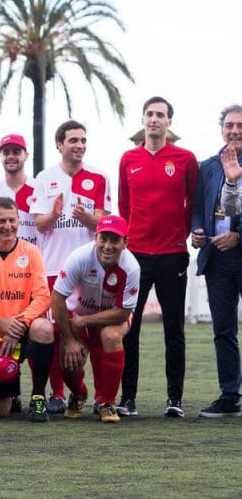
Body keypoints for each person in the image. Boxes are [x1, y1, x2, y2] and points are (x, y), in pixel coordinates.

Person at [117, 96, 198, 417]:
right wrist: (128, 240)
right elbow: (124, 205)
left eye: (160, 115)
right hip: (135, 256)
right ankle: (128, 398)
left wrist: (183, 233)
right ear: (143, 119)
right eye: (149, 114)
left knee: (174, 328)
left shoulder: (184, 159)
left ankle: (174, 398)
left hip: (172, 254)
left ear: (168, 122)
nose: (154, 119)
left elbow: (192, 201)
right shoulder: (128, 159)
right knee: (130, 327)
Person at [29, 120, 110, 413]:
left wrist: (85, 218)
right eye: (73, 140)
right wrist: (54, 214)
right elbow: (39, 224)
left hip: (90, 271)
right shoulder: (44, 178)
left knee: (95, 334)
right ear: (59, 144)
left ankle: (102, 398)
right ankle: (58, 394)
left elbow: (104, 223)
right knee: (54, 334)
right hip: (53, 269)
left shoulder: (99, 177)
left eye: (83, 140)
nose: (79, 145)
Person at [0, 197, 54, 422]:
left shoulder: (32, 252)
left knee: (44, 329)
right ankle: (11, 393)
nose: (8, 226)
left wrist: (19, 324)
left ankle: (38, 397)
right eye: (1, 221)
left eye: (12, 220)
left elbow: (43, 297)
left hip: (24, 328)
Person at [51, 215, 140, 424]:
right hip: (77, 314)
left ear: (125, 243)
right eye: (103, 239)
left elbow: (123, 312)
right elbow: (57, 298)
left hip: (110, 317)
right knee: (68, 357)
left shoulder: (132, 267)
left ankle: (106, 401)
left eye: (115, 240)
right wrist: (69, 340)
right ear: (95, 238)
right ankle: (79, 394)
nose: (108, 246)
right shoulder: (79, 257)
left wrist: (85, 321)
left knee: (111, 336)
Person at [200, 107, 242, 416]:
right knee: (223, 330)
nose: (235, 130)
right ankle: (230, 396)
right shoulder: (208, 167)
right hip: (217, 260)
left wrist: (238, 236)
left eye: (240, 125)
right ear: (221, 129)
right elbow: (197, 208)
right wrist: (196, 230)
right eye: (229, 125)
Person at [0, 134, 38, 245]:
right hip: (1, 255)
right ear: (0, 156)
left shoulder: (39, 189)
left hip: (33, 254)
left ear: (26, 155)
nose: (10, 156)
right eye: (6, 152)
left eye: (16, 152)